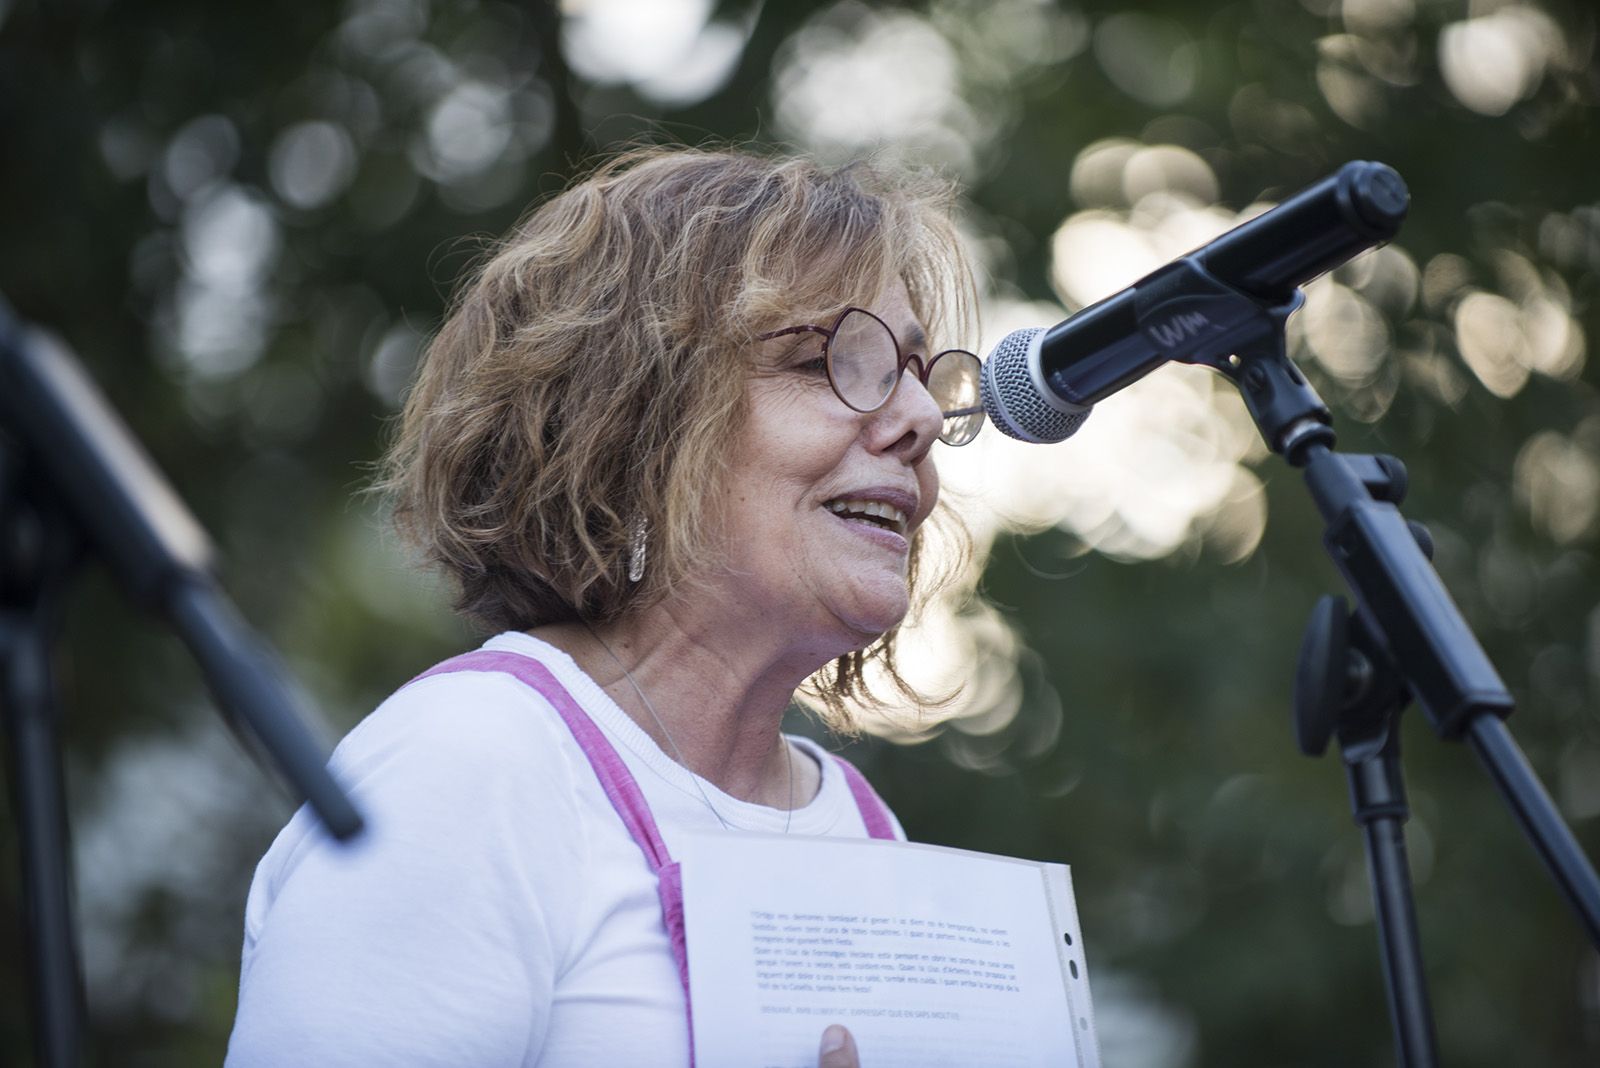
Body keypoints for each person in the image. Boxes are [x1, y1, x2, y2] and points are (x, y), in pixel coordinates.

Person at [225, 145, 983, 1066]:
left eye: (916, 371)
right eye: (831, 361)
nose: (922, 417)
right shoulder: (471, 762)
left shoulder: (862, 828)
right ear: (635, 419)